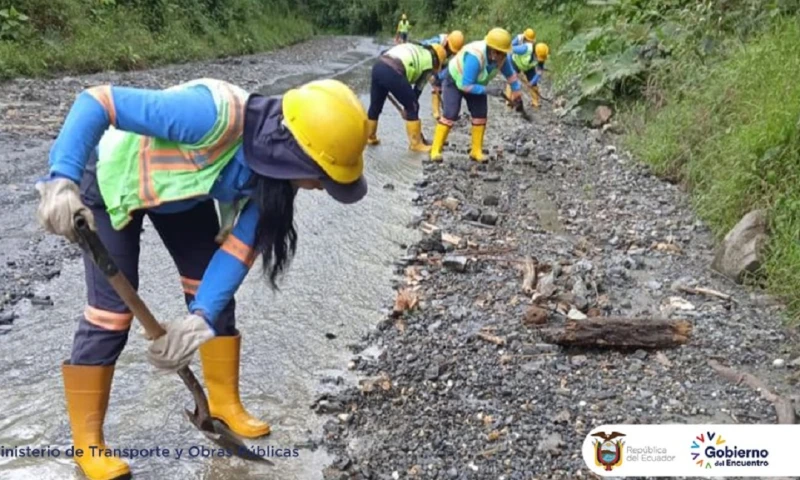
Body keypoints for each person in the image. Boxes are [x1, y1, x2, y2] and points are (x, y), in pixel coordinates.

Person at [34, 77, 369, 480]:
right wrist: (61, 179)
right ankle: (87, 443)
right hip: (112, 181)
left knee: (214, 299)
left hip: (179, 194)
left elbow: (236, 254)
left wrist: (200, 320)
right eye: (322, 177)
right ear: (296, 153)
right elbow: (98, 101)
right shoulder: (211, 115)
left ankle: (223, 405)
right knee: (112, 313)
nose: (318, 188)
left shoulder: (276, 179)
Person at [429, 28, 523, 163]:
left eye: (505, 53)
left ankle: (476, 151)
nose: (504, 56)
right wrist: (488, 90)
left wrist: (516, 91)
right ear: (493, 51)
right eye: (502, 53)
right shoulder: (475, 57)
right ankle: (435, 150)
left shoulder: (502, 58)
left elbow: (510, 75)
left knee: (480, 114)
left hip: (477, 83)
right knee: (450, 114)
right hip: (455, 80)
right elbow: (465, 86)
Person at [366, 42, 447, 152]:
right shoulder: (429, 65)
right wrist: (410, 109)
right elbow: (417, 90)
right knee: (413, 106)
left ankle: (370, 137)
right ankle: (416, 144)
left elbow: (385, 53)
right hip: (393, 71)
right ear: (437, 61)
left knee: (375, 106)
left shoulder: (418, 50)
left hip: (378, 66)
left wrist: (408, 106)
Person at [420, 30, 465, 120]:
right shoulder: (437, 41)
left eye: (453, 51)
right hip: (432, 60)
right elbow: (423, 48)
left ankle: (442, 112)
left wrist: (439, 77)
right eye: (450, 49)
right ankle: (436, 113)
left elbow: (451, 67)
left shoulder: (458, 50)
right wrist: (430, 74)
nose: (451, 52)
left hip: (444, 63)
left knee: (438, 83)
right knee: (434, 83)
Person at [506, 42, 550, 108]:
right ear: (535, 52)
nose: (540, 60)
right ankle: (508, 101)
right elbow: (509, 51)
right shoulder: (525, 49)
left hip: (528, 67)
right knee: (512, 81)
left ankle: (535, 103)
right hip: (515, 63)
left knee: (534, 84)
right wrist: (511, 69)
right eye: (538, 57)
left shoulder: (541, 59)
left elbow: (539, 73)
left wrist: (531, 83)